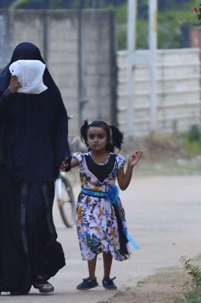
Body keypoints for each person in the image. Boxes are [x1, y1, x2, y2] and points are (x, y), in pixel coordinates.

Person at [0, 42, 69, 295]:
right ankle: (13, 280)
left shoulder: (49, 91)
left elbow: (59, 125)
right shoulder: (2, 86)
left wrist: (62, 155)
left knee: (38, 220)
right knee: (12, 224)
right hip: (8, 167)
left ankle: (40, 272)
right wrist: (9, 93)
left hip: (42, 166)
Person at [61, 120, 143, 291]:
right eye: (91, 137)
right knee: (91, 238)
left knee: (108, 241)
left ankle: (106, 277)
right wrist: (64, 162)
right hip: (87, 207)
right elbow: (67, 165)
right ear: (86, 139)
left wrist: (130, 167)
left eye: (100, 136)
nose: (96, 140)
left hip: (110, 206)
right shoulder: (81, 158)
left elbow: (123, 185)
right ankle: (91, 277)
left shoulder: (118, 160)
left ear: (108, 138)